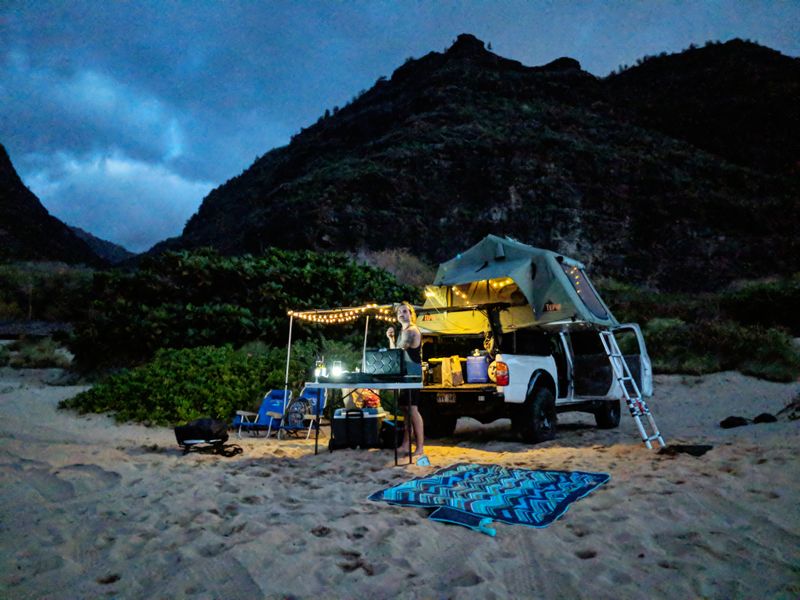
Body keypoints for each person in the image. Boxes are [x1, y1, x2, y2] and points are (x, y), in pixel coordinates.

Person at [386, 301, 424, 457]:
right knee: (405, 409)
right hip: (405, 376)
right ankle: (406, 444)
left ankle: (420, 447)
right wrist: (391, 338)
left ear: (411, 314)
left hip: (412, 376)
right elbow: (396, 353)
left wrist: (392, 339)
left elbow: (397, 353)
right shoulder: (403, 331)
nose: (402, 314)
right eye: (399, 312)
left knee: (413, 409)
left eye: (405, 311)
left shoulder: (411, 331)